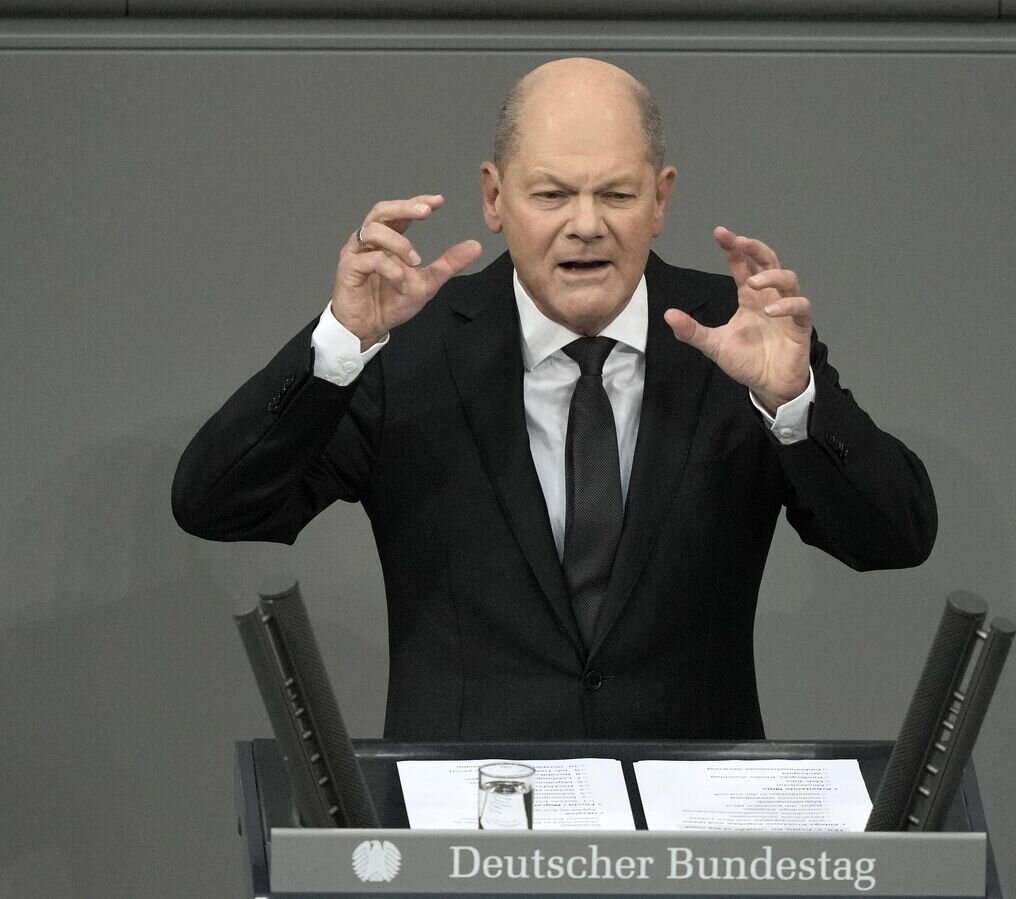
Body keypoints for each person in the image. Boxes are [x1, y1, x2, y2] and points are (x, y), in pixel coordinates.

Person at [173, 57, 936, 741]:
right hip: (467, 824)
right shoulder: (406, 350)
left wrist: (794, 399)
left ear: (661, 199)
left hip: (690, 822)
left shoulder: (741, 338)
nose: (586, 225)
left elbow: (894, 536)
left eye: (617, 194)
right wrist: (341, 340)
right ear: (494, 197)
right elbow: (216, 504)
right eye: (552, 194)